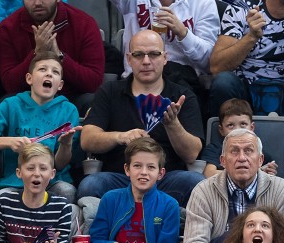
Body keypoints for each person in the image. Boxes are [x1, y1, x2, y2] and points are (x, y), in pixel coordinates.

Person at [78, 32, 205, 207]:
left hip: (165, 178)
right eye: (138, 55)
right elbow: (87, 139)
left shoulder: (182, 95)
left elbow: (192, 153)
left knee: (195, 182)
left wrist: (172, 124)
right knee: (90, 185)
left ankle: (173, 219)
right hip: (121, 178)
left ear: (165, 58)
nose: (146, 61)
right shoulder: (110, 91)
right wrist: (120, 137)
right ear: (129, 59)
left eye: (154, 54)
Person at [181, 129, 284, 243]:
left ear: (260, 160)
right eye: (234, 151)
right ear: (223, 161)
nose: (242, 158)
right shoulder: (203, 191)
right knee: (223, 241)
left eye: (249, 151)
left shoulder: (281, 189)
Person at [83, 137, 183, 243]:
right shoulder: (110, 199)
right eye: (137, 166)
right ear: (127, 169)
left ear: (161, 173)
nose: (143, 172)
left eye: (151, 167)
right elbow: (95, 240)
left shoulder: (169, 205)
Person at [207, 0, 284, 134]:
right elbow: (217, 67)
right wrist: (251, 36)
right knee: (223, 82)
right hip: (246, 93)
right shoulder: (243, 5)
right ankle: (222, 150)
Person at [0, 52, 79, 197]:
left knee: (67, 191)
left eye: (55, 72)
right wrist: (9, 142)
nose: (49, 74)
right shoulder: (11, 104)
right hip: (15, 183)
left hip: (52, 184)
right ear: (29, 78)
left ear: (60, 85)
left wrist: (65, 145)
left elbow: (59, 165)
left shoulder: (68, 110)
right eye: (42, 69)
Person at [0, 0, 104, 99]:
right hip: (27, 99)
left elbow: (93, 82)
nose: (37, 3)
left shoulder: (84, 23)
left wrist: (59, 56)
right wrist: (36, 53)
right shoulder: (8, 28)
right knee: (7, 101)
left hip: (72, 97)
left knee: (92, 101)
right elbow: (9, 84)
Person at [108, 0, 219, 83]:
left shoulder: (203, 3)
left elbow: (208, 62)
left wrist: (183, 34)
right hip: (136, 79)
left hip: (182, 82)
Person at [198, 100, 279, 178]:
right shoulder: (214, 149)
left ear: (251, 127)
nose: (237, 130)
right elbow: (209, 173)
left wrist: (268, 172)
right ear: (221, 130)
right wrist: (254, 172)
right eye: (230, 125)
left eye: (243, 124)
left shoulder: (258, 151)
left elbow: (269, 177)